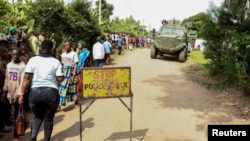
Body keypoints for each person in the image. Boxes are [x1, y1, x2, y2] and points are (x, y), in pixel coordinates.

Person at [18, 40, 64, 141]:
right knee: (48, 118)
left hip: (35, 93)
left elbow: (26, 78)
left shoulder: (32, 60)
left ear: (41, 48)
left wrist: (21, 95)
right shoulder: (56, 62)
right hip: (51, 93)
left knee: (37, 116)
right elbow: (60, 79)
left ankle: (33, 137)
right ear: (51, 49)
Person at [2, 47, 26, 141]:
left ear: (20, 55)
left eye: (17, 54)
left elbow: (23, 81)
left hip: (17, 93)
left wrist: (20, 94)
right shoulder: (8, 65)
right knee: (6, 112)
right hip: (9, 92)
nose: (15, 56)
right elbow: (7, 79)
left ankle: (16, 135)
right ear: (11, 55)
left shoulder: (23, 66)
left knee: (17, 114)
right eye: (14, 54)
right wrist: (4, 90)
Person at [58, 40, 78, 110]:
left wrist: (74, 74)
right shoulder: (63, 54)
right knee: (62, 88)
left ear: (71, 46)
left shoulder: (74, 54)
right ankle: (59, 105)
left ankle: (76, 102)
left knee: (73, 88)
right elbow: (62, 64)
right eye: (65, 45)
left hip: (71, 72)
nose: (66, 46)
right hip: (64, 73)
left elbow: (75, 64)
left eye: (68, 45)